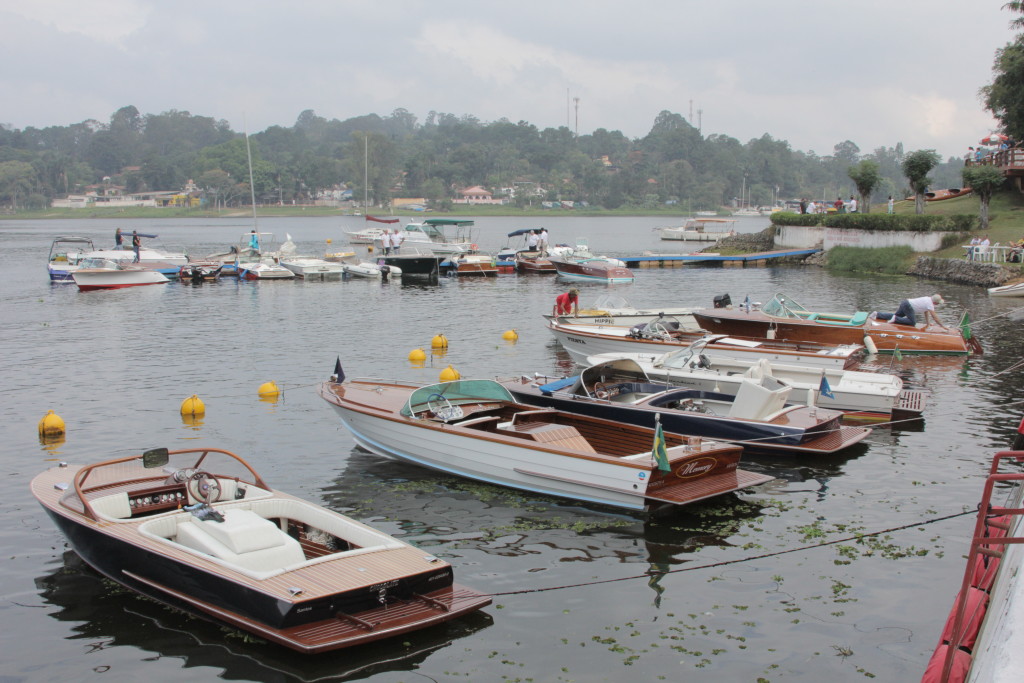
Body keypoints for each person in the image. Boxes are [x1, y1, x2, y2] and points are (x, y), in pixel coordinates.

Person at [874, 294, 947, 328]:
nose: (938, 304)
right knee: (912, 322)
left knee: (897, 316)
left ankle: (877, 314)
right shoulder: (930, 304)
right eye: (938, 303)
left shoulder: (928, 299)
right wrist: (942, 326)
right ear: (935, 302)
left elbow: (926, 312)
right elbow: (935, 317)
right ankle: (895, 319)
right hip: (908, 306)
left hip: (905, 302)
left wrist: (928, 323)